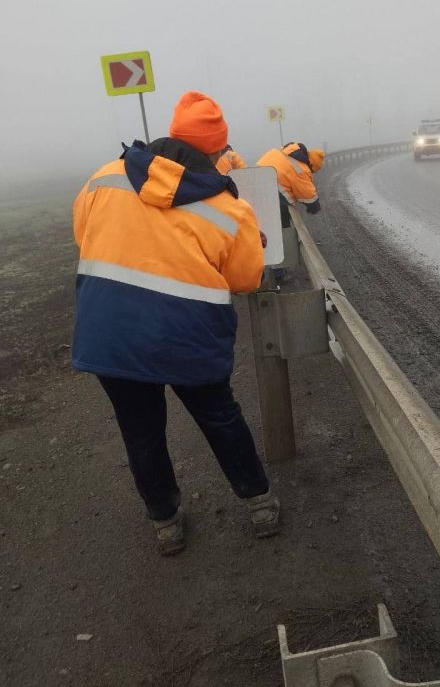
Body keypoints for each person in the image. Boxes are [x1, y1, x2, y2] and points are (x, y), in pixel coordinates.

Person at [71, 91, 280, 556]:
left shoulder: (104, 178)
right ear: (219, 150)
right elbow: (244, 279)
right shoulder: (230, 209)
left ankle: (166, 522)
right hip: (187, 339)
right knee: (220, 418)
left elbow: (83, 237)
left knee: (140, 430)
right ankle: (258, 502)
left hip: (112, 337)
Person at [256, 142, 324, 228]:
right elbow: (309, 196)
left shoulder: (283, 150)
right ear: (311, 165)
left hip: (255, 180)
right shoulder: (302, 169)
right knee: (284, 221)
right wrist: (315, 207)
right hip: (274, 193)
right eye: (313, 170)